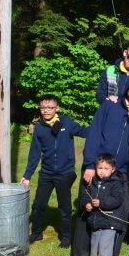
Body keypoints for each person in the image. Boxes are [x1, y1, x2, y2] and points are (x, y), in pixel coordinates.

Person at [73, 73, 129, 256]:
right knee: (87, 208)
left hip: (119, 171)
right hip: (96, 165)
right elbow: (94, 133)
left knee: (118, 213)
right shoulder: (110, 105)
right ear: (127, 88)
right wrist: (90, 164)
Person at [21, 94, 88, 248]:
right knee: (38, 206)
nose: (45, 111)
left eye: (49, 108)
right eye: (43, 108)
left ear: (57, 108)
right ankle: (37, 233)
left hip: (65, 173)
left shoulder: (66, 122)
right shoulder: (39, 129)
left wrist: (102, 127)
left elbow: (85, 131)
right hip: (46, 173)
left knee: (64, 208)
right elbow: (34, 153)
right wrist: (27, 175)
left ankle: (65, 237)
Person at [80, 154, 125, 256]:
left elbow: (117, 199)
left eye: (106, 168)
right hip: (95, 220)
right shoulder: (92, 182)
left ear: (113, 170)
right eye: (100, 168)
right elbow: (85, 196)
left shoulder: (116, 183)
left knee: (105, 244)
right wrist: (87, 205)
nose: (102, 171)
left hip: (110, 220)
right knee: (94, 244)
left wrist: (102, 202)